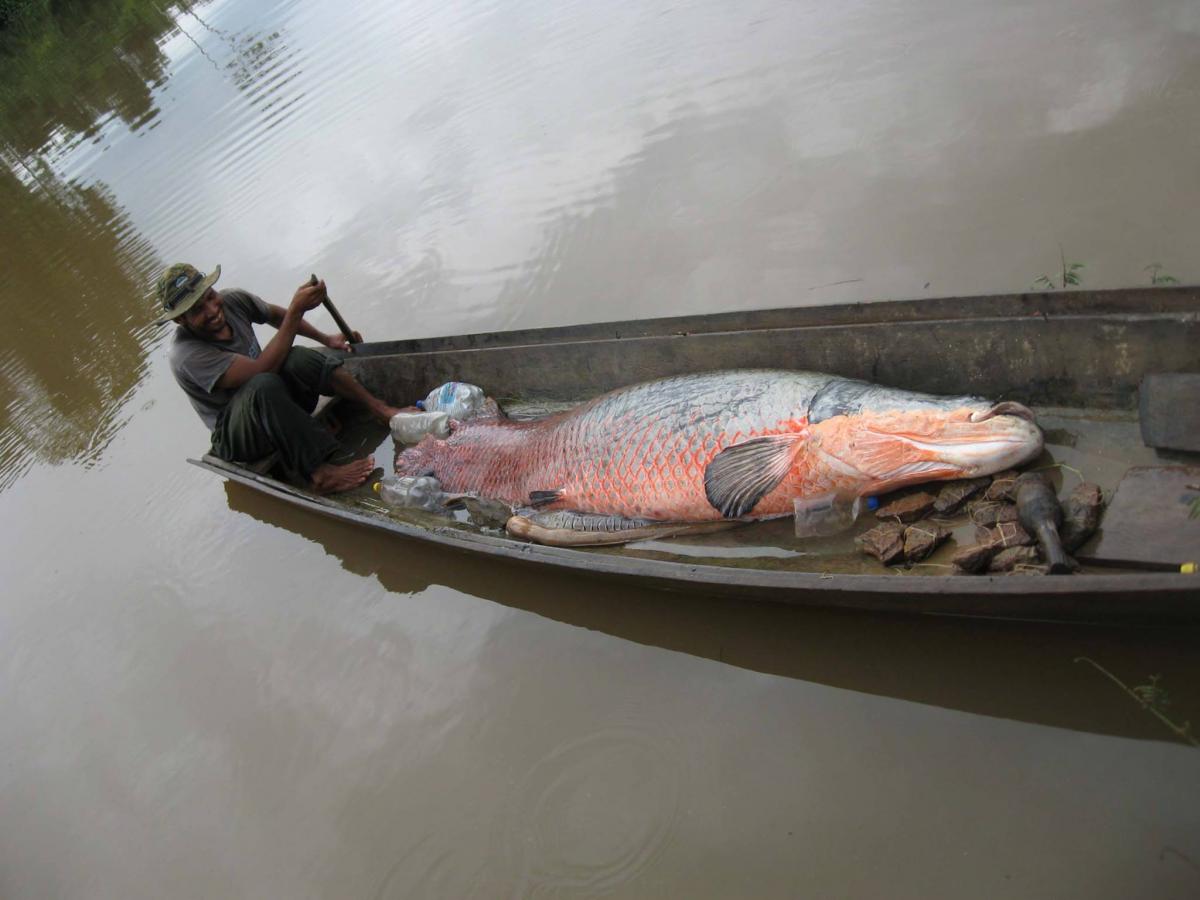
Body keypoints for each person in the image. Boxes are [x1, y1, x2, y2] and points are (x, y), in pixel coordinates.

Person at [156, 262, 404, 493]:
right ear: (181, 319)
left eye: (210, 297)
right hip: (241, 436)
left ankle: (380, 409)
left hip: (273, 402)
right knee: (263, 384)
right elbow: (259, 372)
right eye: (198, 310)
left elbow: (277, 317)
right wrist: (297, 310)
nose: (212, 310)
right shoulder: (186, 354)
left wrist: (326, 339)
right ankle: (320, 475)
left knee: (296, 357)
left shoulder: (233, 300)